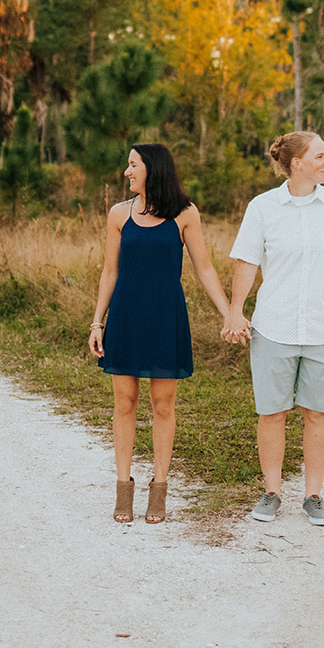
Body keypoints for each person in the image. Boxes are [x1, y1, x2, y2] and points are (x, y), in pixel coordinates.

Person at [88, 143, 246, 524]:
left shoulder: (185, 214)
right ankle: (123, 489)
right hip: (125, 316)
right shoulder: (118, 215)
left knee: (163, 404)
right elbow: (110, 272)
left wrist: (230, 314)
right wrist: (97, 322)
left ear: (152, 169)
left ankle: (158, 490)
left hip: (165, 317)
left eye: (132, 165)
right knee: (124, 402)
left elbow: (204, 269)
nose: (126, 172)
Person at [228, 131, 324, 527]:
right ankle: (271, 492)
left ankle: (314, 496)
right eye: (320, 156)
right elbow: (247, 262)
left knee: (318, 413)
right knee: (272, 413)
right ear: (296, 163)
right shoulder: (263, 208)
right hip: (274, 326)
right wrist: (236, 311)